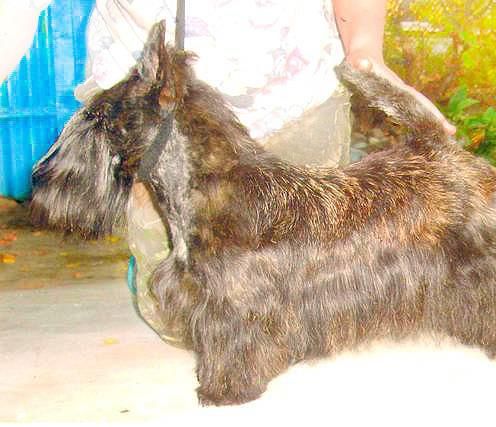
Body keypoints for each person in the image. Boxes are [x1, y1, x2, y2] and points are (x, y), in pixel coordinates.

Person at [76, 0, 456, 345]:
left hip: (296, 96)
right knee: (188, 326)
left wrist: (366, 51)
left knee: (309, 316)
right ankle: (157, 251)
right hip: (161, 117)